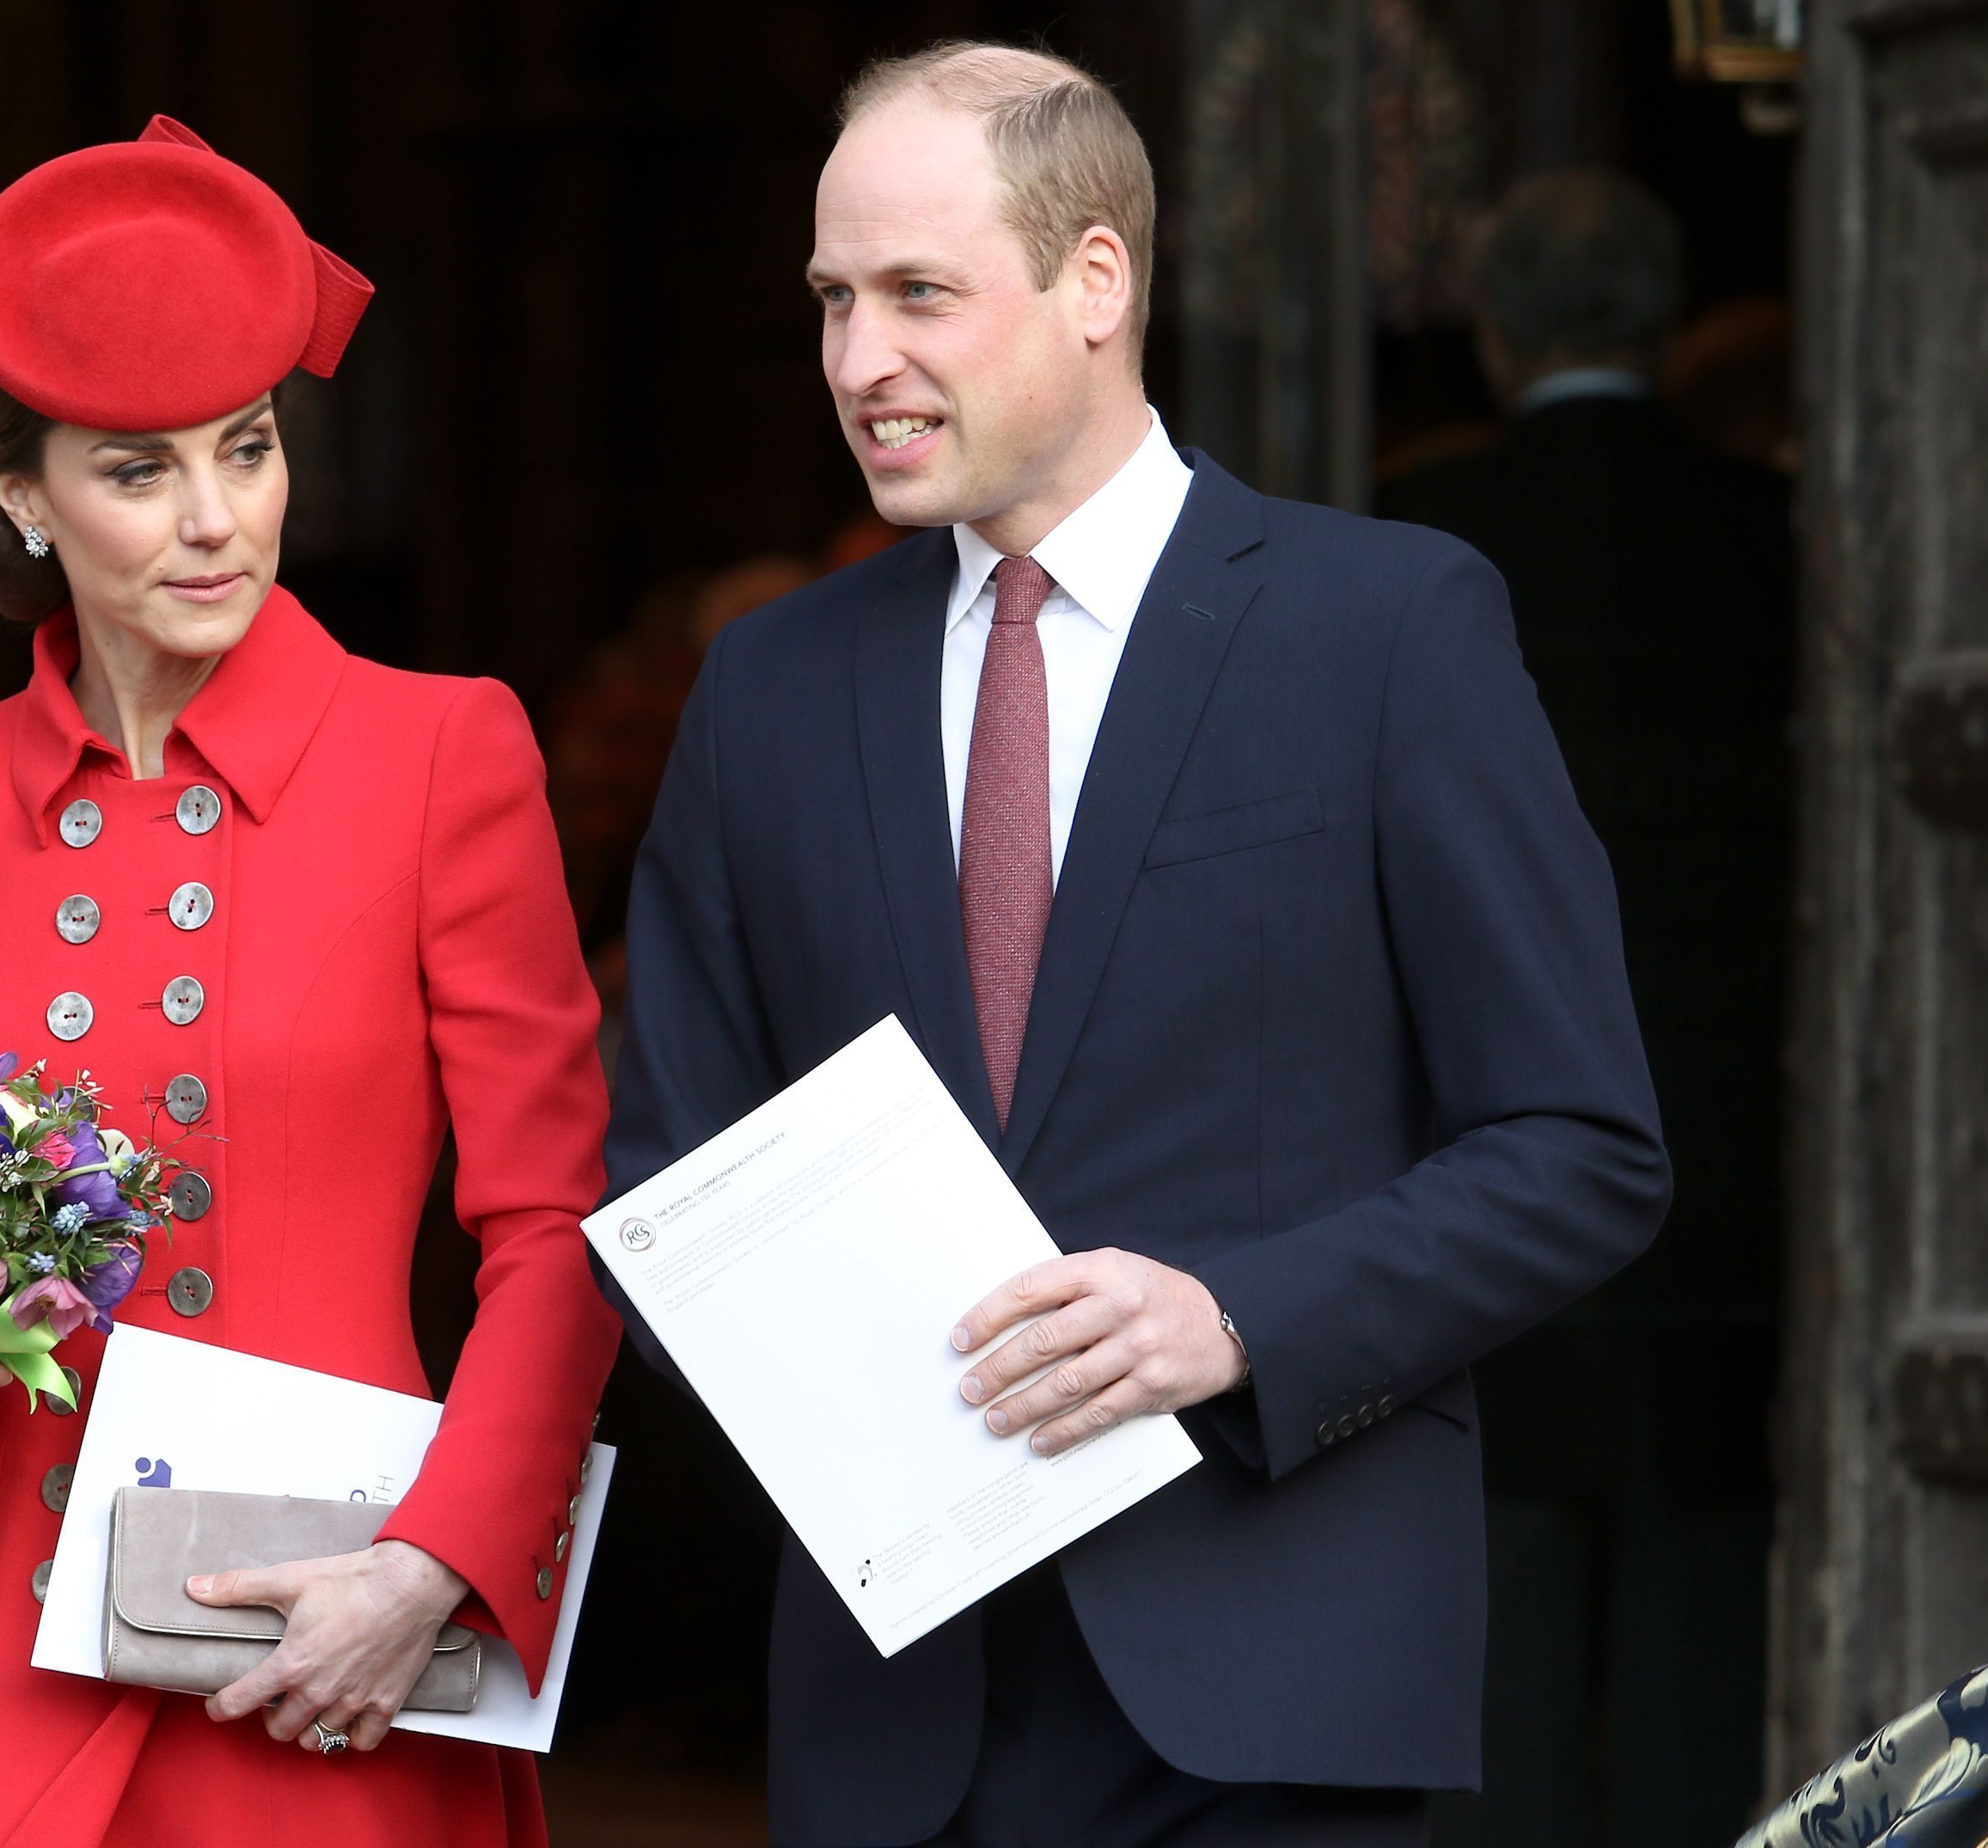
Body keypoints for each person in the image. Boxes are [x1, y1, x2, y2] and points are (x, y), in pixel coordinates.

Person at [605, 43, 1670, 1848]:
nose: (860, 361)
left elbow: (1581, 1149)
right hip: (890, 1722)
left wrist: (1235, 1319)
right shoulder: (769, 689)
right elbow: (665, 1184)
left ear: (1097, 281)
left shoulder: (1390, 628)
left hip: (1271, 1703)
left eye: (919, 293)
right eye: (833, 301)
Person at [0, 116, 620, 1848]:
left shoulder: (440, 753)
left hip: (329, 1637)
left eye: (245, 450)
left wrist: (440, 1560)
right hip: (6, 1654)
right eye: (136, 470)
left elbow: (557, 1226)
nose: (215, 520)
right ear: (25, 495)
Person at [1379, 172, 1794, 1841]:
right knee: (1709, 1638)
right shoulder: (1780, 527)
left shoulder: (1413, 538)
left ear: (1495, 333)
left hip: (1477, 1136)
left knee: (1501, 1645)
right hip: (1739, 1136)